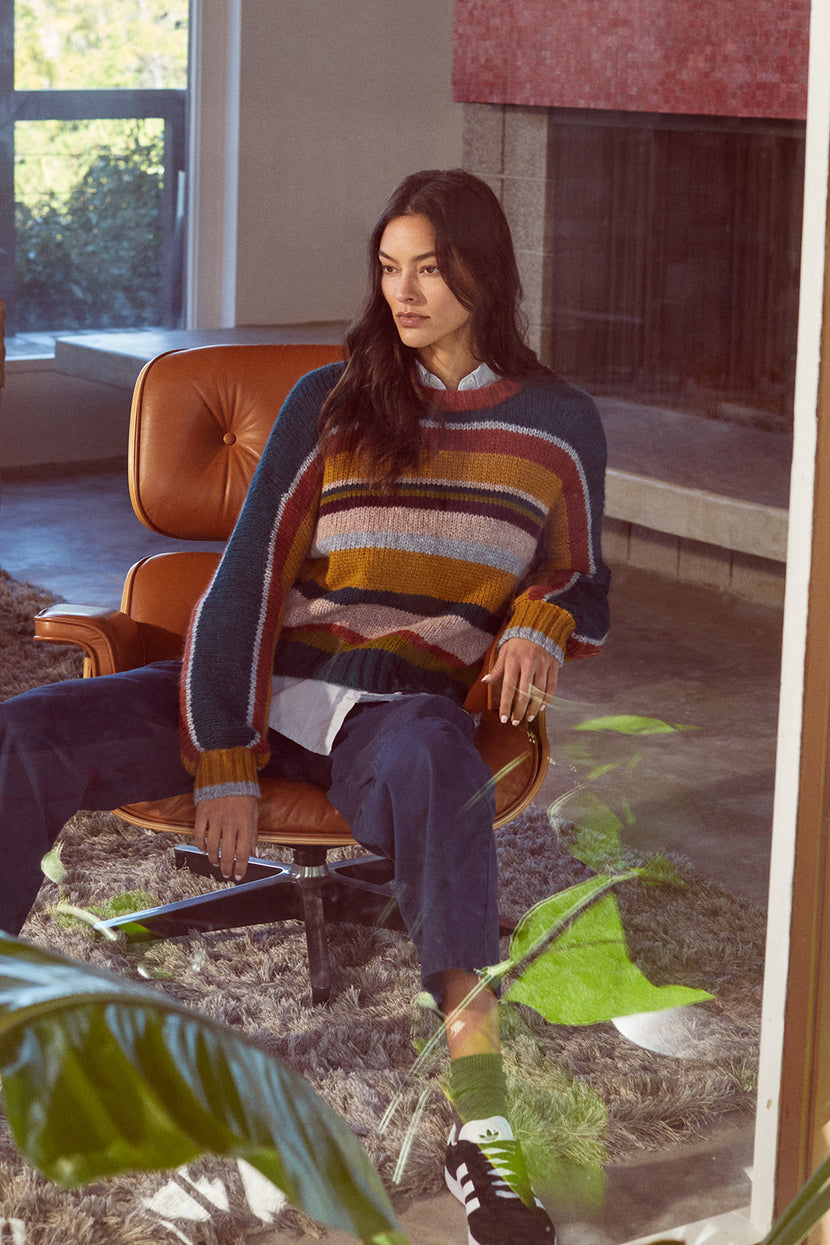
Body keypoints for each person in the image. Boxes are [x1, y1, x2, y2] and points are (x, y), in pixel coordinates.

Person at [0, 169, 609, 1244]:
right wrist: (225, 753)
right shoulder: (331, 399)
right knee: (21, 735)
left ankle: (483, 1136)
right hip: (263, 691)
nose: (403, 291)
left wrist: (539, 615)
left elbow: (581, 575)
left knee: (437, 769)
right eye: (388, 268)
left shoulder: (559, 424)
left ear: (484, 272)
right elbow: (245, 580)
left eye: (429, 267)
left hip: (401, 715)